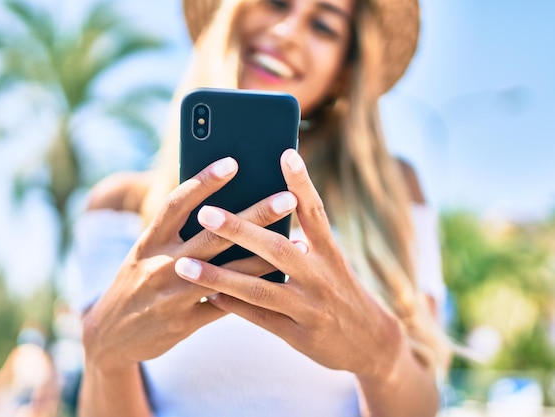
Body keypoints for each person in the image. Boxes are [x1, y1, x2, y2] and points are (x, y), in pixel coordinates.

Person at [74, 0, 452, 415]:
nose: (287, 32)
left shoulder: (393, 194)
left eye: (324, 26)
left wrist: (382, 355)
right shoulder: (119, 209)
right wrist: (104, 357)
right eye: (275, 2)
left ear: (344, 70)